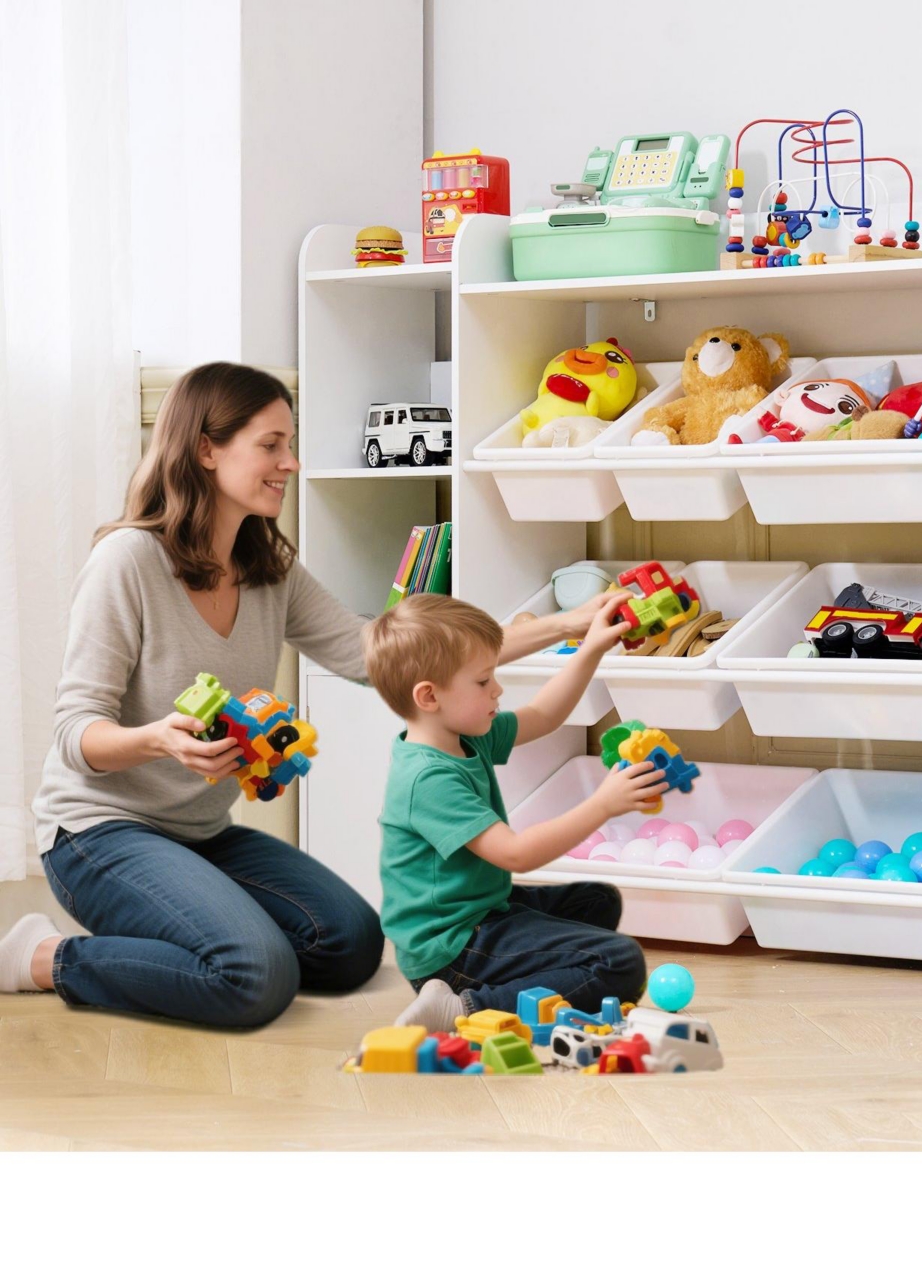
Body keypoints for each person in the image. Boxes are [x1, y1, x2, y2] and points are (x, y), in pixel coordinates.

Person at [0, 362, 616, 1024]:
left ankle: (180, 926)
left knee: (350, 945)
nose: (289, 463)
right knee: (253, 977)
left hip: (201, 832)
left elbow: (383, 655)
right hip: (97, 832)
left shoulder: (270, 570)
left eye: (289, 445)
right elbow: (75, 734)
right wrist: (158, 740)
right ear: (206, 449)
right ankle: (45, 957)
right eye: (270, 445)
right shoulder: (128, 561)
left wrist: (568, 627)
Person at [362, 592, 665, 1033]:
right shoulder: (427, 778)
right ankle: (463, 1008)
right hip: (450, 950)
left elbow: (545, 714)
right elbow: (517, 855)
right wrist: (603, 804)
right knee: (620, 962)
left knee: (598, 901)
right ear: (429, 696)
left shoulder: (465, 733)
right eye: (484, 681)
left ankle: (530, 978)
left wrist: (592, 648)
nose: (497, 689)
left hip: (477, 912)